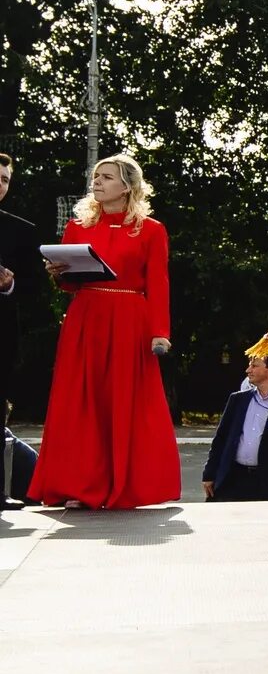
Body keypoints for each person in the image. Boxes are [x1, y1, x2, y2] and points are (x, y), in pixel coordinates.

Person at [27, 154, 181, 510]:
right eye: (96, 177)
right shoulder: (77, 227)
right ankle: (80, 486)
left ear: (127, 186)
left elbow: (158, 284)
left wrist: (160, 332)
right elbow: (70, 284)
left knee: (124, 401)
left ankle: (126, 485)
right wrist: (59, 274)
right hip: (85, 318)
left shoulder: (151, 230)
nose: (96, 182)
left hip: (130, 320)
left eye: (106, 177)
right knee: (81, 400)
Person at [202, 352, 268, 501]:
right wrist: (209, 473)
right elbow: (221, 439)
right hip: (232, 478)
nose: (248, 370)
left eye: (254, 366)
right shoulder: (238, 399)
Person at [0, 152, 45, 506]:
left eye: (4, 180)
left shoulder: (21, 230)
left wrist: (9, 285)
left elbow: (36, 290)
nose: (0, 185)